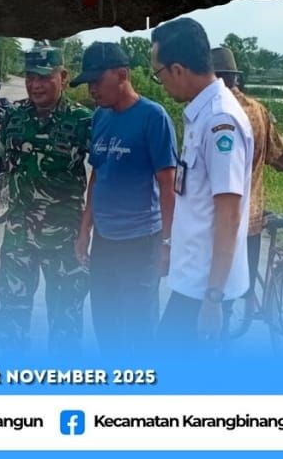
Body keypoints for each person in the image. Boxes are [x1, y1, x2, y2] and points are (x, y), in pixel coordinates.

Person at [150, 17, 254, 345]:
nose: (161, 83)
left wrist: (213, 298)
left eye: (159, 74)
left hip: (204, 287)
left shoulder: (219, 121)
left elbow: (229, 213)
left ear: (178, 69)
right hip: (192, 279)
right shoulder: (202, 113)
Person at [71, 41, 177, 350]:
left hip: (141, 242)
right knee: (106, 324)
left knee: (139, 329)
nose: (92, 89)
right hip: (105, 241)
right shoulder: (100, 118)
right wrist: (84, 230)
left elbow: (168, 186)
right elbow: (98, 175)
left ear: (122, 74)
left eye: (97, 81)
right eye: (88, 83)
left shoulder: (152, 118)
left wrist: (168, 244)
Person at [0, 46, 92, 348]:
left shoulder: (82, 121)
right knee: (11, 315)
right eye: (30, 77)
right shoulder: (14, 117)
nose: (35, 85)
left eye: (44, 77)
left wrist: (88, 230)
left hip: (64, 237)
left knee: (66, 320)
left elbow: (103, 174)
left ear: (63, 76)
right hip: (19, 234)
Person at [210, 45, 283, 311]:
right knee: (241, 284)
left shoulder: (214, 111)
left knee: (216, 289)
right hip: (252, 217)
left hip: (218, 219)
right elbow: (281, 157)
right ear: (236, 77)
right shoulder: (258, 111)